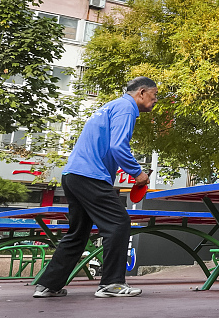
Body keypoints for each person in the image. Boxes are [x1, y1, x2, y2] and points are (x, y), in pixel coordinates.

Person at [33, 77, 156, 299]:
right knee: (119, 223)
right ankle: (111, 283)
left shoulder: (110, 106)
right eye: (154, 95)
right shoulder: (127, 108)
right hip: (90, 176)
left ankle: (48, 284)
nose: (155, 100)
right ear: (142, 92)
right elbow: (118, 146)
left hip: (72, 175)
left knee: (78, 233)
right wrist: (137, 173)